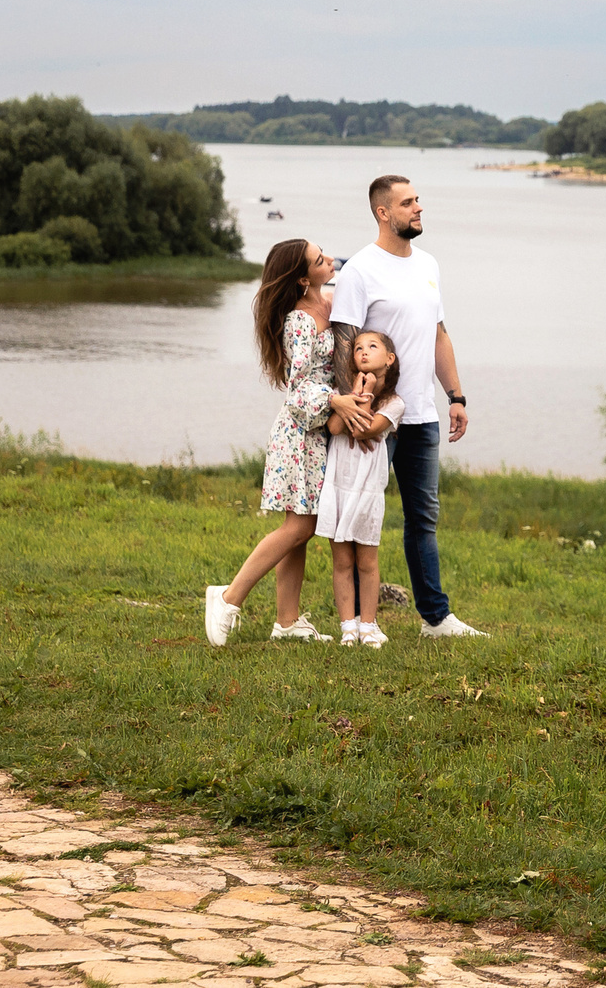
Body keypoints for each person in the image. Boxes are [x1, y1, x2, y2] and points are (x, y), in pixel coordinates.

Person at [328, 173, 486, 638]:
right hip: (376, 420)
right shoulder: (359, 270)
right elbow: (343, 345)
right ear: (384, 213)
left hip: (421, 415)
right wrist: (355, 410)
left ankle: (435, 618)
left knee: (423, 517)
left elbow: (438, 334)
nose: (419, 208)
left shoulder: (429, 263)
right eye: (408, 203)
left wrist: (455, 395)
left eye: (418, 200)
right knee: (359, 515)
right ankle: (355, 622)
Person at [204, 239, 376, 646]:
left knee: (301, 525)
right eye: (320, 260)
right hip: (299, 435)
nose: (330, 259)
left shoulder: (329, 304)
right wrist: (336, 400)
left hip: (319, 432)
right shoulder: (300, 321)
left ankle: (287, 621)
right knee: (301, 525)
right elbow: (297, 389)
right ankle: (228, 598)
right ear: (303, 278)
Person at [316, 329, 403, 647]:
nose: (363, 352)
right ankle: (347, 626)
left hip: (367, 492)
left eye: (372, 347)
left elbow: (366, 431)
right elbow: (336, 426)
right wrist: (357, 388)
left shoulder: (394, 403)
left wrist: (359, 400)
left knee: (367, 562)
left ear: (389, 359)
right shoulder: (346, 392)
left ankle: (368, 624)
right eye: (358, 348)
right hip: (338, 488)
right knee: (341, 562)